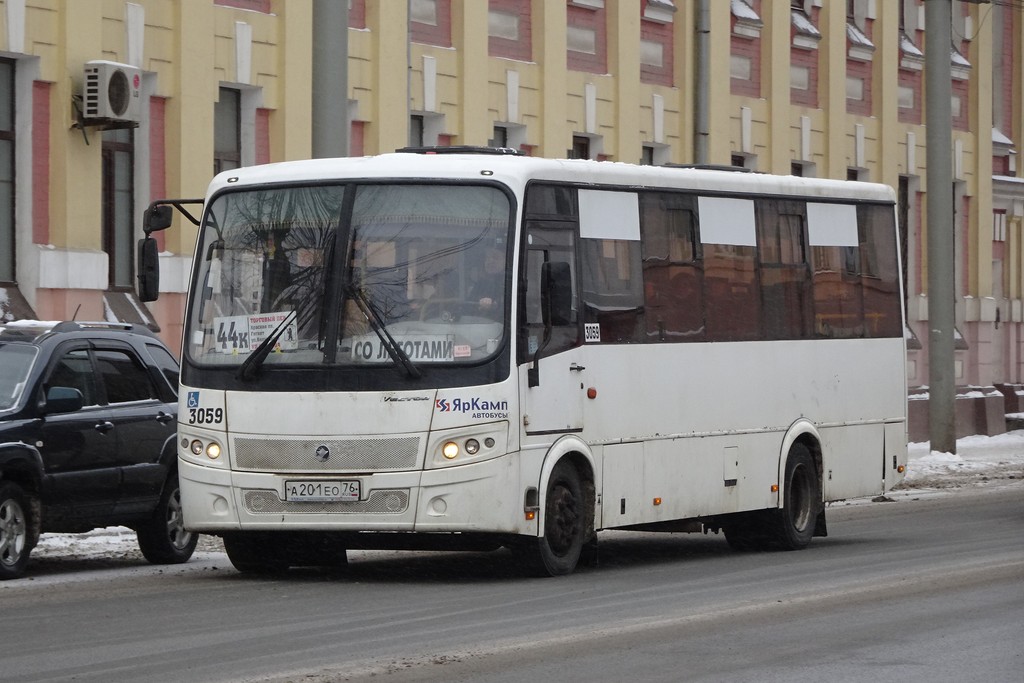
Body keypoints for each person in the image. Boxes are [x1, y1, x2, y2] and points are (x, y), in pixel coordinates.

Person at [467, 247, 505, 316]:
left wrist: (494, 305)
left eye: (495, 257)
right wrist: (479, 307)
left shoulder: (511, 282)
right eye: (487, 258)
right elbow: (468, 309)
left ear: (505, 261)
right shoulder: (480, 283)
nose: (490, 261)